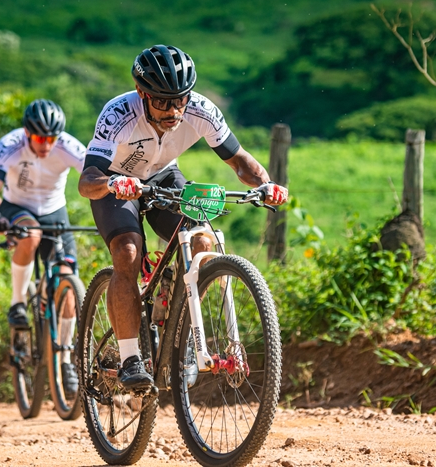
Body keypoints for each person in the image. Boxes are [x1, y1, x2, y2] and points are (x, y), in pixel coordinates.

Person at [78, 45, 289, 392]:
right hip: (116, 182)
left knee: (203, 241)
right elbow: (88, 181)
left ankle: (181, 327)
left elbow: (239, 160)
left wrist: (266, 184)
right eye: (163, 102)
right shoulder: (118, 114)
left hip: (163, 176)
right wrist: (113, 184)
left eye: (180, 100)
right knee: (128, 253)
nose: (174, 110)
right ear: (142, 93)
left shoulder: (201, 110)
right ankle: (130, 358)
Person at [0, 99, 86, 400]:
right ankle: (18, 303)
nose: (46, 145)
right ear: (27, 133)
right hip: (17, 208)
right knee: (31, 235)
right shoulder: (9, 144)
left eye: (51, 138)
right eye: (39, 138)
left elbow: (96, 173)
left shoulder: (68, 145)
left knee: (68, 285)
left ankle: (65, 360)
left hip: (55, 211)